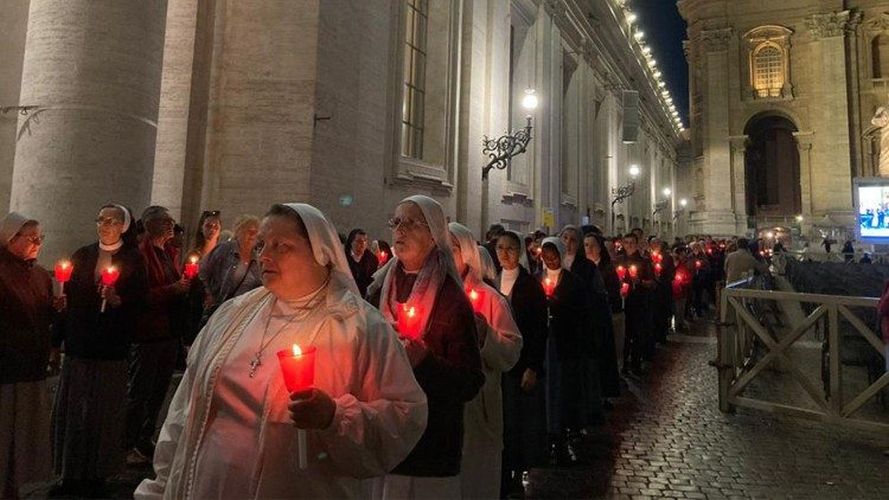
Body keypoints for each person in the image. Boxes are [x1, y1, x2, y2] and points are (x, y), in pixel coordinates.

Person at [135, 203, 427, 498]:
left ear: (321, 252)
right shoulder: (233, 314)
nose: (264, 255)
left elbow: (404, 415)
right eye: (261, 245)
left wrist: (334, 416)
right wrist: (160, 486)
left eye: (281, 246)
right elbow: (185, 408)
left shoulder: (359, 327)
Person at [367, 195, 484, 498]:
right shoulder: (378, 288)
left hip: (431, 442)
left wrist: (425, 360)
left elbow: (470, 381)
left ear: (434, 235)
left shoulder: (451, 299)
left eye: (411, 223)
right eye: (396, 222)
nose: (400, 230)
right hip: (383, 432)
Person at [51, 205, 148, 497]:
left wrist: (119, 301)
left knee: (103, 413)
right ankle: (69, 472)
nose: (104, 225)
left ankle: (98, 473)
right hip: (80, 344)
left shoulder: (134, 259)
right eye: (100, 220)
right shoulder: (83, 255)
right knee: (73, 412)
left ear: (124, 226)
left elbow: (141, 304)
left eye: (111, 221)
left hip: (110, 348)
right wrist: (58, 334)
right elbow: (70, 300)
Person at [448, 222, 522, 500]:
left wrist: (485, 336)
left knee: (475, 479)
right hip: (442, 406)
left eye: (452, 249)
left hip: (478, 408)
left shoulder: (491, 300)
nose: (446, 255)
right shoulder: (432, 294)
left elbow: (512, 350)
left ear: (466, 253)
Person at [126, 206, 192, 465]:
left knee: (158, 392)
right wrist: (173, 289)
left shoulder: (168, 252)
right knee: (140, 391)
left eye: (171, 221)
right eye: (164, 221)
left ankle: (145, 438)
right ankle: (128, 442)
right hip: (148, 333)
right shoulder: (141, 255)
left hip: (168, 333)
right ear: (148, 224)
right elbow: (140, 297)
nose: (170, 225)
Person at [0, 212, 58, 499]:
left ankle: (14, 488)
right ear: (11, 238)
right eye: (31, 237)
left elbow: (40, 316)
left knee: (23, 438)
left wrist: (56, 309)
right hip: (6, 369)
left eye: (40, 238)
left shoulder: (39, 274)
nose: (38, 243)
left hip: (31, 368)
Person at [496, 230, 547, 497]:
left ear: (520, 252)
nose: (505, 254)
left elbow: (539, 330)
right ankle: (501, 471)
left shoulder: (529, 285)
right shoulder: (492, 282)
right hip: (498, 366)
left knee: (517, 421)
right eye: (500, 248)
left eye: (510, 249)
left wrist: (533, 366)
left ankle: (517, 471)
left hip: (520, 365)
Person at [536, 237, 588, 466]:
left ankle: (563, 437)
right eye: (546, 257)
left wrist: (555, 302)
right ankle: (545, 436)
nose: (550, 260)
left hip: (565, 344)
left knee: (564, 392)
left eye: (553, 256)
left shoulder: (573, 281)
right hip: (543, 343)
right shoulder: (537, 279)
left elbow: (580, 312)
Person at [199, 215, 262, 323]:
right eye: (250, 231)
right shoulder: (225, 250)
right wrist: (209, 294)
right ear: (239, 232)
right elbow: (204, 270)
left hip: (243, 312)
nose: (253, 235)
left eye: (256, 232)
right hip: (222, 307)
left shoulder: (256, 258)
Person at [583, 231, 622, 395]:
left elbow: (613, 292)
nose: (589, 249)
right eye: (586, 245)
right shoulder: (582, 268)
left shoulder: (607, 269)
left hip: (602, 318)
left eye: (593, 245)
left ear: (600, 248)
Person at [615, 233, 655, 374]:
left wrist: (640, 281)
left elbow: (652, 283)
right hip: (623, 301)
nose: (629, 245)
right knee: (624, 334)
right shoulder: (618, 260)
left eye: (632, 242)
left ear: (637, 244)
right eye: (626, 242)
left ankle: (636, 362)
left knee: (637, 333)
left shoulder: (644, 261)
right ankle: (624, 363)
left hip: (639, 301)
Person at [345, 228, 378, 298]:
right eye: (359, 241)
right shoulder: (343, 257)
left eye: (365, 241)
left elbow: (373, 279)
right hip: (347, 294)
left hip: (365, 296)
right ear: (351, 242)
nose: (363, 244)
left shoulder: (372, 259)